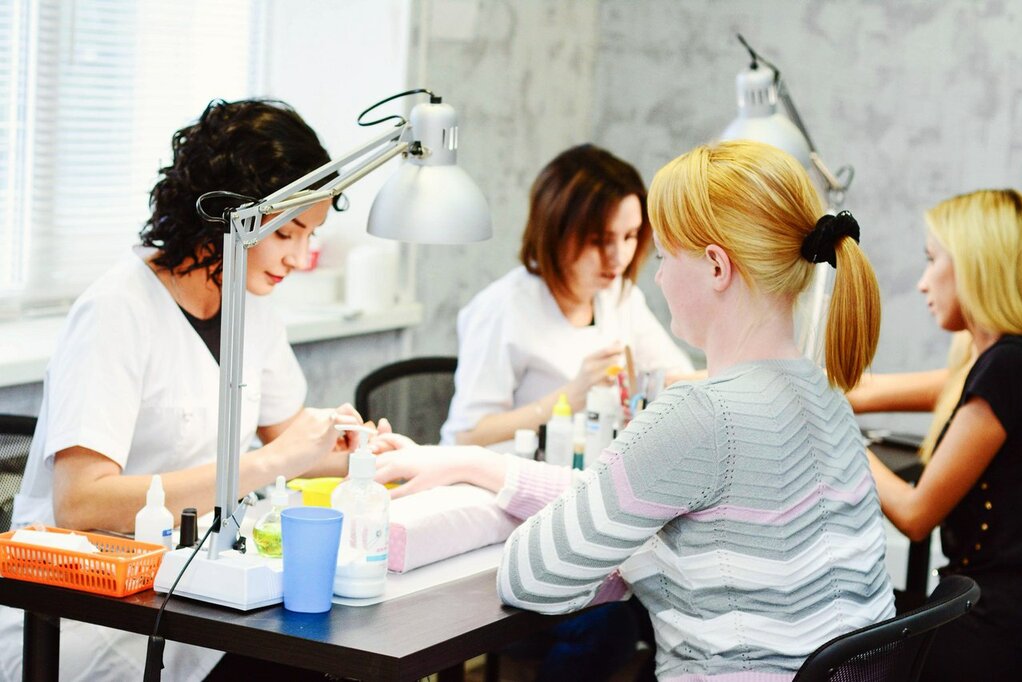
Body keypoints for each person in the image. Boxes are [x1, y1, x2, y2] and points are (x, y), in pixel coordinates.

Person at [374, 140, 895, 679]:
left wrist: (633, 542)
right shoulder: (826, 394)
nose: (656, 276)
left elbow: (529, 575)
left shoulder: (699, 415)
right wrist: (479, 466)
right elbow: (636, 493)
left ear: (717, 266)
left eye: (664, 257)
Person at [0, 99, 365, 681]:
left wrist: (357, 451)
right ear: (226, 217)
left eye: (311, 235)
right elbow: (81, 504)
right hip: (87, 615)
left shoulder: (249, 300)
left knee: (327, 645)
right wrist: (270, 462)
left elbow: (291, 436)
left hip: (195, 590)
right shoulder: (117, 310)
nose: (300, 258)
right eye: (286, 233)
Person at [849, 189, 1022, 680]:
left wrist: (838, 433)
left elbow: (915, 514)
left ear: (974, 265)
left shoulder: (1007, 367)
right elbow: (863, 390)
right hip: (973, 604)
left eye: (932, 260)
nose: (922, 282)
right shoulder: (985, 361)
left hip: (994, 627)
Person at [440, 144, 693, 448]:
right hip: (510, 469)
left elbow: (677, 376)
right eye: (600, 240)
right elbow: (465, 436)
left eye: (630, 236)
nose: (619, 257)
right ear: (557, 234)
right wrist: (571, 396)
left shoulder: (619, 297)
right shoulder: (502, 308)